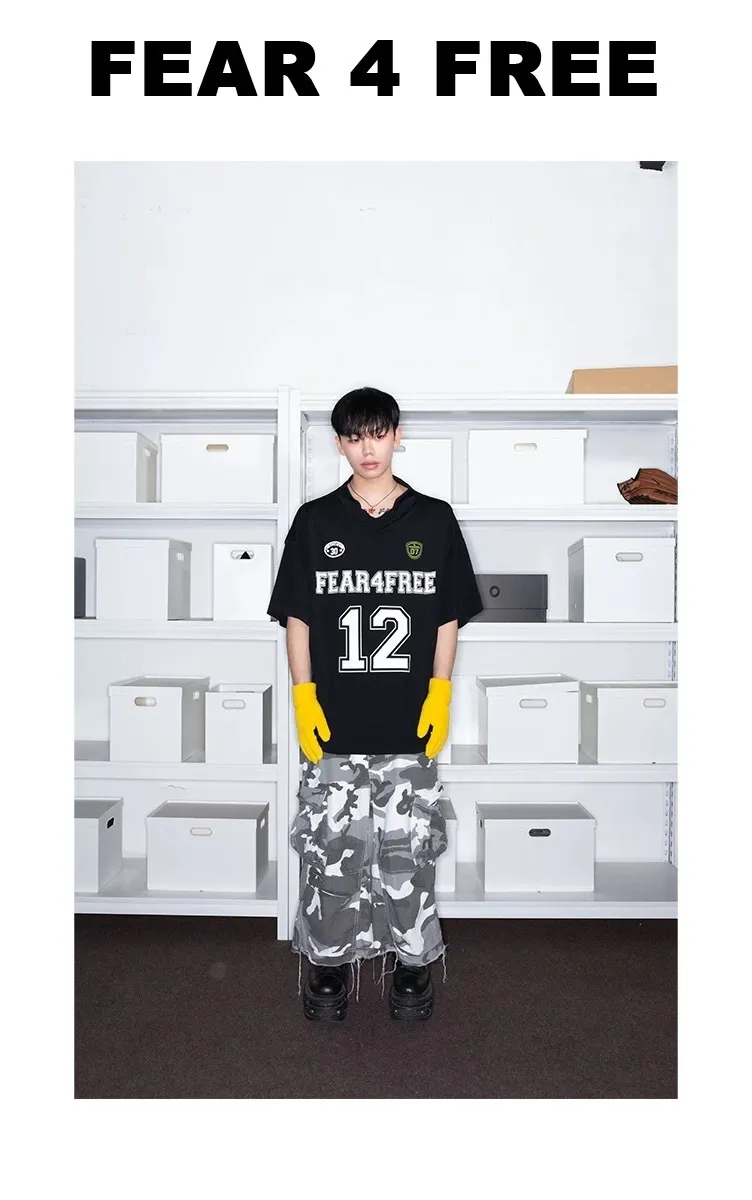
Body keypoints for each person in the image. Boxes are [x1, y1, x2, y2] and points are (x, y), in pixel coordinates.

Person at [267, 386, 484, 1021]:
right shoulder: (315, 521)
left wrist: (440, 691)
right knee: (331, 849)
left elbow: (447, 617)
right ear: (339, 443)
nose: (368, 448)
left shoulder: (434, 519)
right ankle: (329, 961)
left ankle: (412, 964)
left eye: (378, 434)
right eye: (354, 436)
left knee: (407, 852)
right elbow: (298, 619)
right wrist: (304, 697)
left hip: (407, 723)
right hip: (335, 721)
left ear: (396, 436)